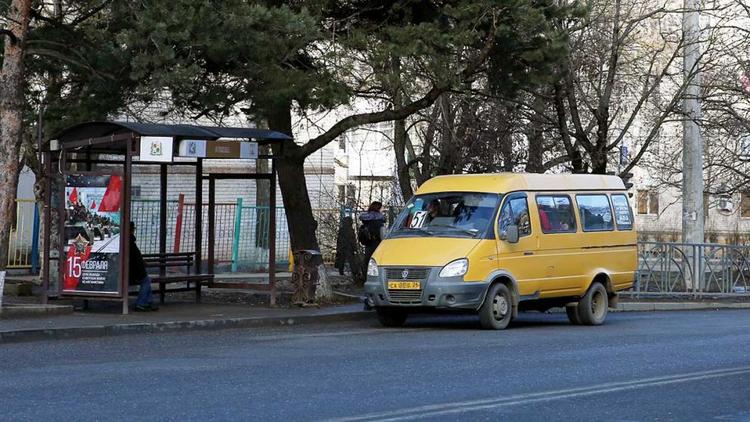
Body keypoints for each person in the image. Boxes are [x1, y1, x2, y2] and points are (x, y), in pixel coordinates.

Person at [129, 222, 158, 311]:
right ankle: (141, 303)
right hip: (133, 272)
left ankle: (148, 302)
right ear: (131, 230)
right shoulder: (130, 242)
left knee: (147, 279)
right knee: (146, 280)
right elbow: (135, 259)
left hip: (132, 271)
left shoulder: (127, 241)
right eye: (133, 229)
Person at [359, 201, 385, 272]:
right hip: (377, 242)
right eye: (382, 207)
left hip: (368, 242)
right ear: (378, 208)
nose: (383, 209)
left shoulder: (366, 218)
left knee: (367, 260)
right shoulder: (379, 219)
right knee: (376, 260)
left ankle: (365, 276)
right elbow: (381, 233)